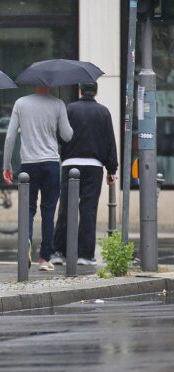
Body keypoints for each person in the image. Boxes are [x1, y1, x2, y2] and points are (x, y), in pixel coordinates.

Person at [3, 87, 73, 271]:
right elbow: (67, 135)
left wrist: (7, 165)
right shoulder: (58, 104)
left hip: (28, 164)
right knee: (48, 212)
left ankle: (26, 240)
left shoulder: (21, 103)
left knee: (28, 209)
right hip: (50, 163)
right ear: (51, 84)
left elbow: (10, 136)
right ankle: (44, 258)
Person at [51, 82, 118, 266]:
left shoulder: (69, 109)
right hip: (94, 166)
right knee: (88, 210)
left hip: (70, 164)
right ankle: (85, 254)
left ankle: (58, 251)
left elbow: (60, 135)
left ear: (80, 90)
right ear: (96, 91)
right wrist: (111, 169)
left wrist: (63, 154)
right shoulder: (103, 112)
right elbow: (109, 142)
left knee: (65, 208)